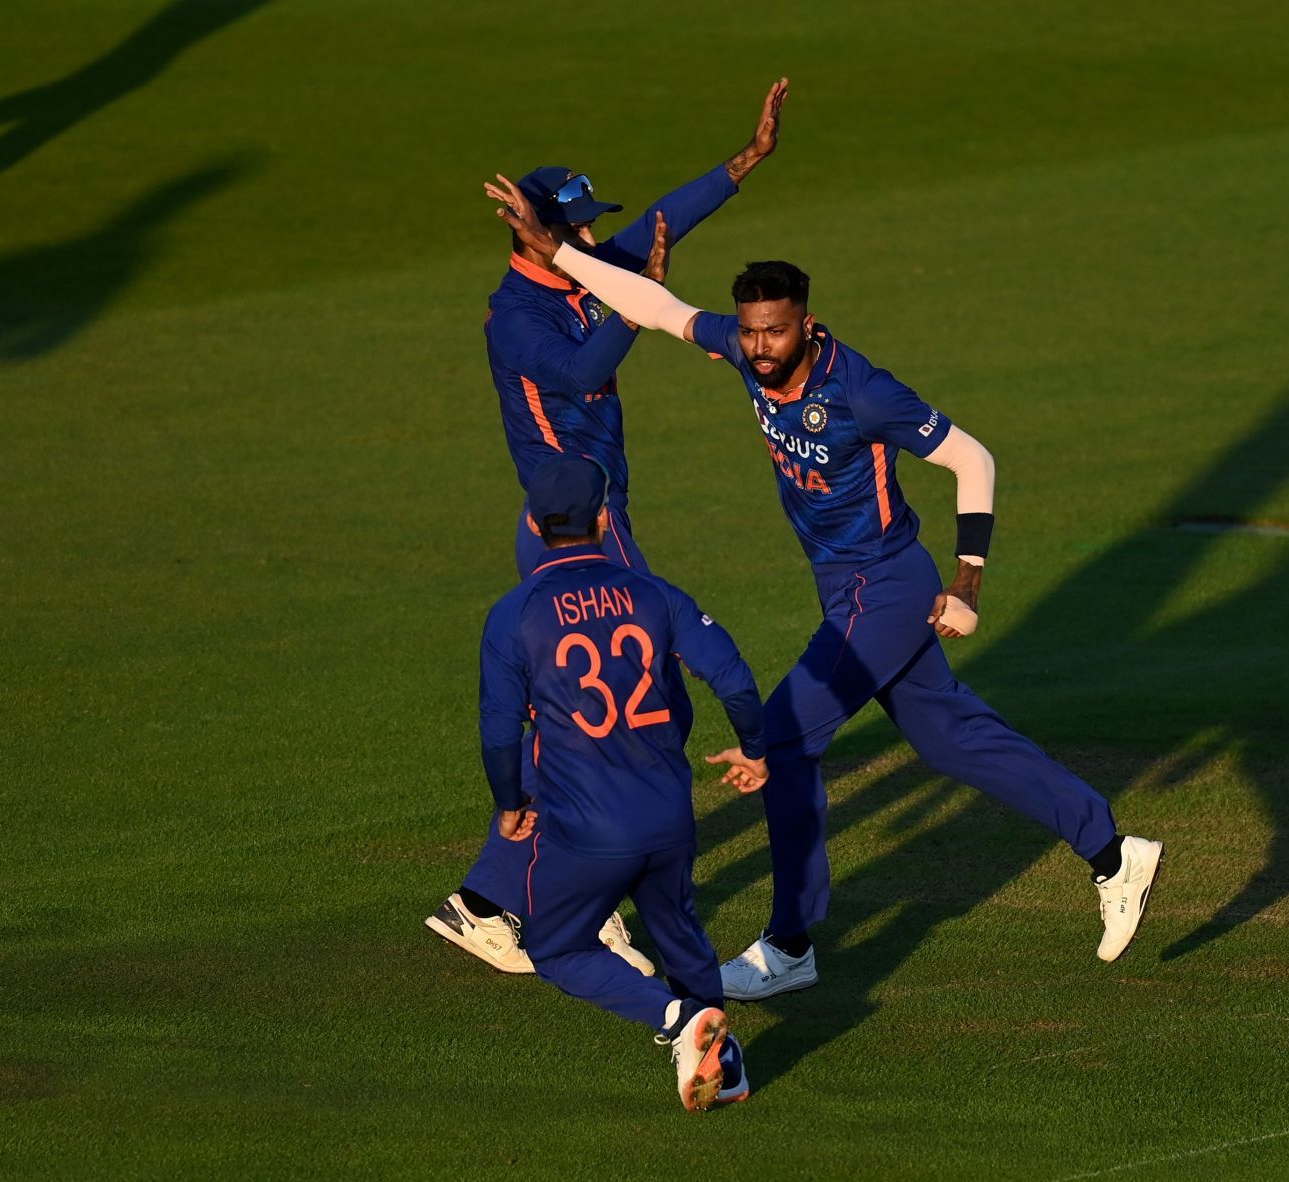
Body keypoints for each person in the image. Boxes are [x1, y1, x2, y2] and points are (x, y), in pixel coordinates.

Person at [486, 178, 1164, 1001]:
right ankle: (1111, 852)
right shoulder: (743, 351)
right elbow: (657, 307)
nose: (761, 347)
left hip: (883, 586)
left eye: (775, 332)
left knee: (783, 739)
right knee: (954, 740)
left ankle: (791, 942)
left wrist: (969, 582)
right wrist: (554, 251)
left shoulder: (864, 393)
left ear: (807, 324)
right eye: (751, 332)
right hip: (842, 585)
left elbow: (973, 460)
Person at [429, 79, 791, 975]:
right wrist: (642, 295)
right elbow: (588, 374)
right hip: (573, 532)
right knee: (637, 697)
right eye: (580, 226)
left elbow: (664, 221)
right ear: (535, 234)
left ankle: (500, 897)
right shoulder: (516, 318)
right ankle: (526, 899)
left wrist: (744, 163)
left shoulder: (582, 270)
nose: (596, 238)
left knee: (590, 717)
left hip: (590, 519)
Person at [479, 454, 767, 1110]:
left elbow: (499, 731)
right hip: (667, 814)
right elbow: (733, 677)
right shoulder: (655, 594)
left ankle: (677, 1023)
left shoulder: (513, 614)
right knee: (682, 937)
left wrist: (508, 804)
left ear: (532, 523)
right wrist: (755, 749)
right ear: (604, 520)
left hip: (584, 828)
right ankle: (725, 1066)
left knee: (554, 947)